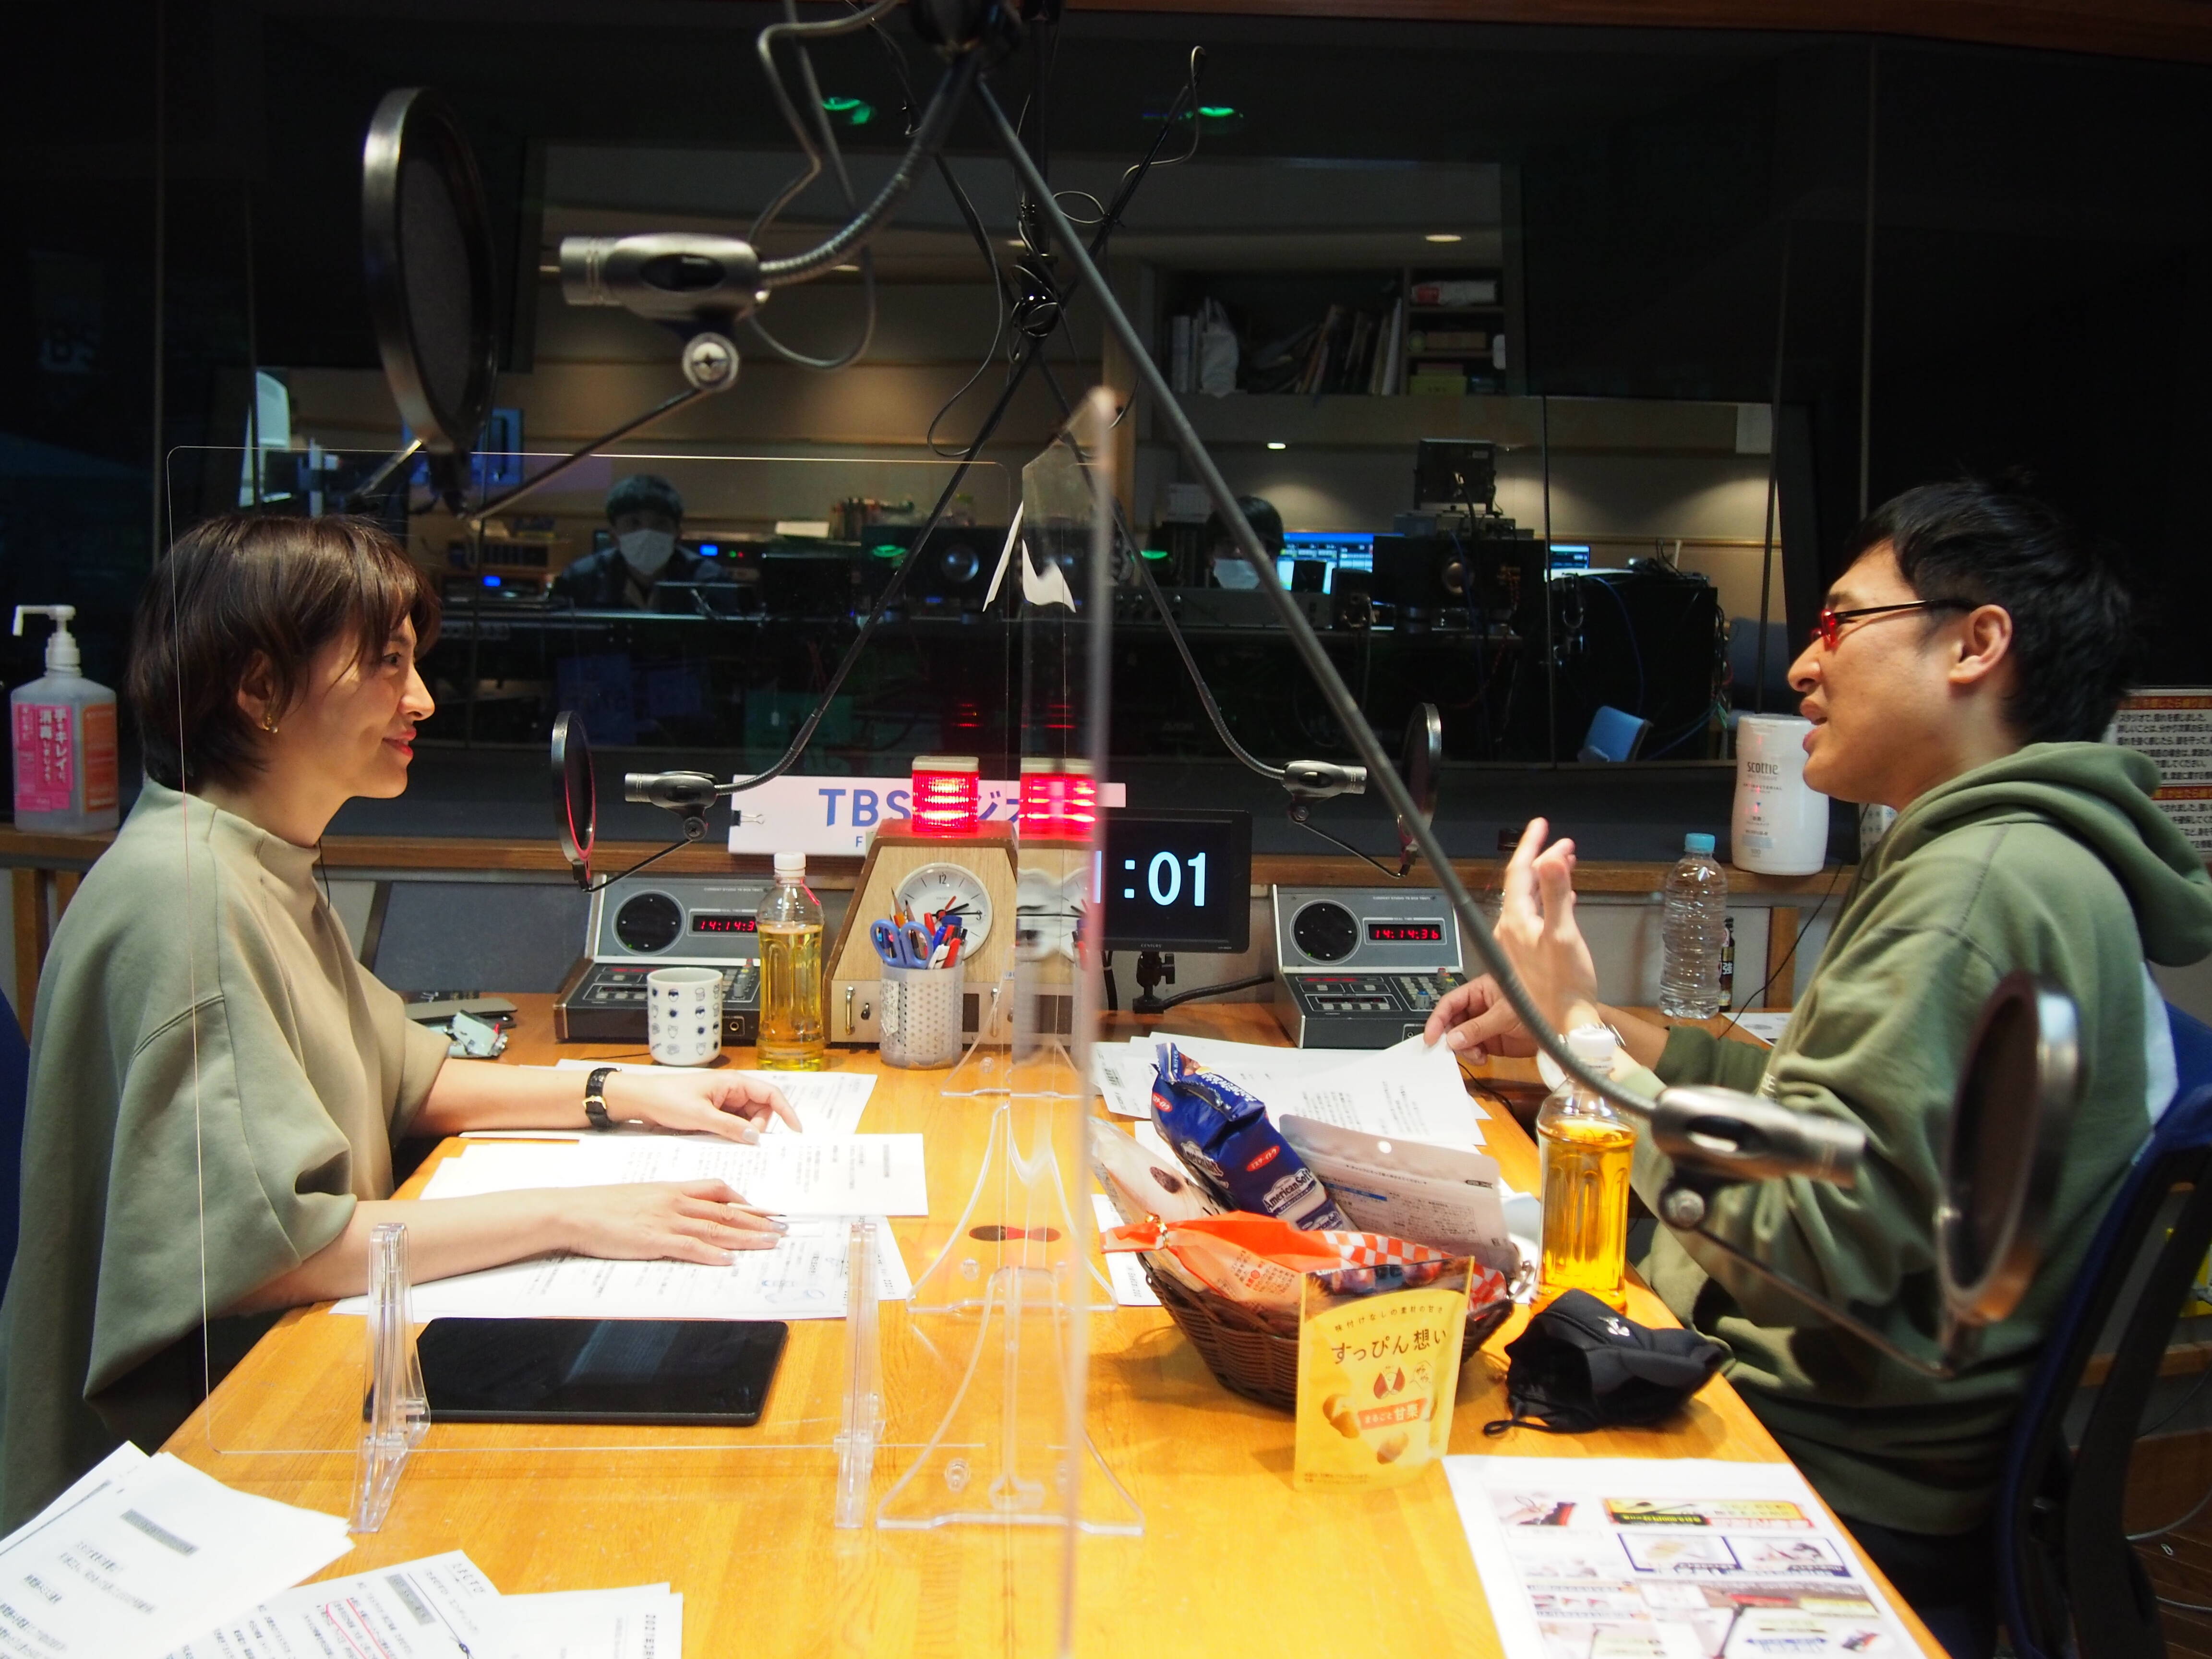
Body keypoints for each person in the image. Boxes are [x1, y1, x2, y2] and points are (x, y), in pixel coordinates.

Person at [1425, 479, 2212, 1655]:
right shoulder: (2021, 858)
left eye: (1843, 621)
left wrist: (1581, 1046)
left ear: (1976, 643)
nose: (1803, 664)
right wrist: (1583, 1025)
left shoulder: (1977, 888)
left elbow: (1817, 1236)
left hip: (1821, 1456)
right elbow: (1824, 1113)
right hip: (1860, 1423)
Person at [0, 514, 799, 1529]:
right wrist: (580, 1215)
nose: (421, 699)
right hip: (170, 1481)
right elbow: (277, 1254)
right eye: (386, 663)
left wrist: (624, 1091)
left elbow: (412, 1077)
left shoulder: (252, 860)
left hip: (262, 1412)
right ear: (258, 688)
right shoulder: (187, 900)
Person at [551, 473, 721, 608]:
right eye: (634, 523)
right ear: (614, 537)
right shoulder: (580, 581)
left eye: (660, 524)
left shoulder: (710, 583)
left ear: (678, 536)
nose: (647, 534)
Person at [1202, 494, 1283, 590]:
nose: (1237, 553)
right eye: (1228, 543)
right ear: (1210, 556)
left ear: (1272, 556)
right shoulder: (1191, 600)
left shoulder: (1293, 600)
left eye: (1248, 544)